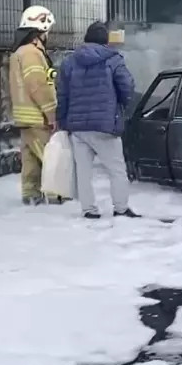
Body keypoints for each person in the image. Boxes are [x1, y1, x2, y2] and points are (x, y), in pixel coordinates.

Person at [57, 21, 140, 219]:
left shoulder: (69, 62)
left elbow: (62, 94)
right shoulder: (113, 59)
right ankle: (121, 208)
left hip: (78, 127)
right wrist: (122, 106)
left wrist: (62, 121)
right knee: (117, 169)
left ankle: (89, 210)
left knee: (83, 172)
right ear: (105, 41)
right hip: (104, 125)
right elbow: (127, 86)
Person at [9, 5, 61, 205]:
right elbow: (38, 85)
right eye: (48, 30)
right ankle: (57, 195)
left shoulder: (20, 52)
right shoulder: (32, 53)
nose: (49, 35)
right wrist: (51, 114)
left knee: (30, 158)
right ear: (41, 30)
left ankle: (31, 195)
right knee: (50, 157)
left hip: (25, 117)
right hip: (37, 116)